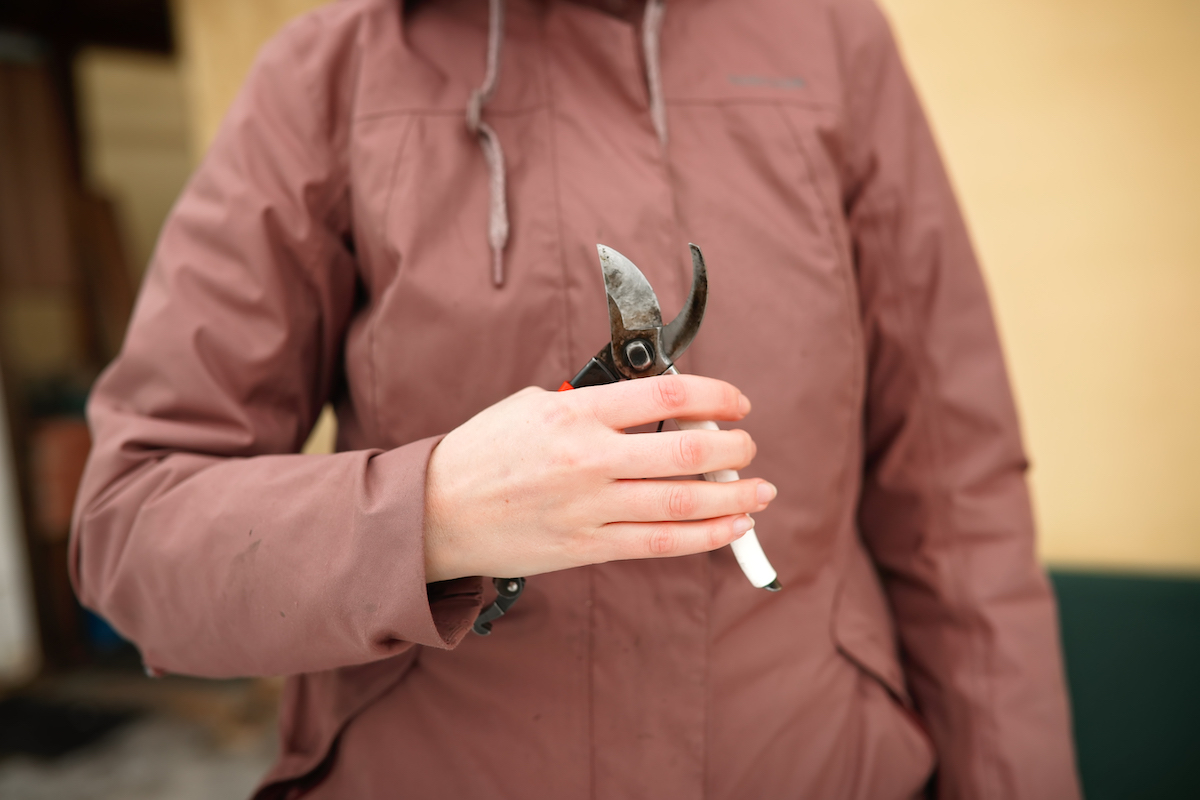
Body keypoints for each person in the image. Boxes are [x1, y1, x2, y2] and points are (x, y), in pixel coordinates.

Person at [70, 0, 1081, 797]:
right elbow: (131, 533)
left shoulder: (834, 38)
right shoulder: (325, 73)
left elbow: (960, 502)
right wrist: (429, 514)